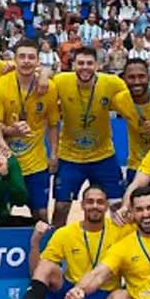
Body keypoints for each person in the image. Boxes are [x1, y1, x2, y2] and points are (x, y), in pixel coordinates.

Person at [0, 186, 132, 299]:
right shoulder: (65, 234)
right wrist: (35, 242)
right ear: (81, 205)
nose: (95, 206)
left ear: (106, 206)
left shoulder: (122, 231)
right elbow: (35, 273)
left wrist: (130, 214)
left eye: (100, 202)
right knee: (47, 266)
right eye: (90, 202)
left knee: (122, 295)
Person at [52, 47, 131, 226]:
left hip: (103, 156)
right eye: (80, 63)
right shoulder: (61, 81)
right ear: (73, 65)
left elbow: (134, 99)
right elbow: (42, 76)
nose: (85, 67)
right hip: (69, 157)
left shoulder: (113, 83)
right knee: (61, 206)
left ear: (97, 65)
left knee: (117, 206)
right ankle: (54, 246)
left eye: (89, 63)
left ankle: (121, 247)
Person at [0, 39, 60, 221]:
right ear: (15, 60)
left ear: (38, 61)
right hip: (7, 161)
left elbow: (53, 125)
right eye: (22, 57)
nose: (26, 61)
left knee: (42, 214)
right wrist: (2, 141)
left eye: (31, 57)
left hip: (36, 164)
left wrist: (54, 154)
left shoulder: (49, 88)